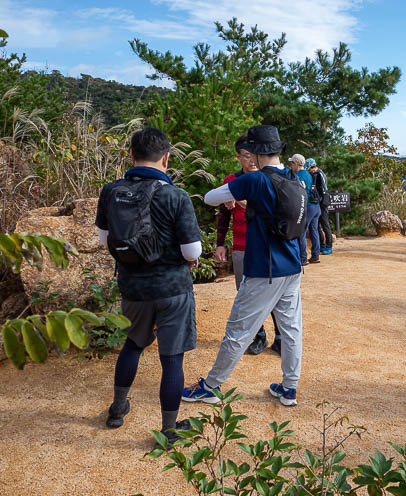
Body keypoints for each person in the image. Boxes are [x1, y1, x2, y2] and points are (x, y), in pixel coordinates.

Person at [183, 125, 304, 407]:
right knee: (291, 328)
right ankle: (289, 388)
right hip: (292, 266)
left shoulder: (255, 181)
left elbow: (211, 197)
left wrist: (236, 195)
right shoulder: (295, 178)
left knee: (238, 330)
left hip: (265, 269)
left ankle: (210, 386)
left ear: (257, 152)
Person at [96, 127, 202, 444]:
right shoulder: (176, 196)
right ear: (166, 158)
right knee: (172, 359)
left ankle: (117, 409)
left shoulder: (111, 191)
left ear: (131, 156)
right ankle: (168, 430)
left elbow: (104, 240)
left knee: (132, 345)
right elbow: (192, 252)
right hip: (173, 289)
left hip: (133, 288)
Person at [216, 135, 283, 355]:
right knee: (245, 294)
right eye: (246, 156)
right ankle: (258, 336)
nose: (251, 160)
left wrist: (247, 201)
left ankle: (281, 336)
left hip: (269, 245)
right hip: (241, 245)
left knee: (274, 293)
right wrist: (220, 243)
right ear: (238, 157)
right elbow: (223, 214)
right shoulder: (231, 181)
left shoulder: (270, 178)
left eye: (253, 155)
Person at [289, 153, 321, 266]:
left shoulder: (298, 175)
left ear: (297, 164)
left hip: (307, 206)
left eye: (292, 163)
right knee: (314, 231)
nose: (291, 165)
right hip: (316, 206)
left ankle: (303, 258)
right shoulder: (308, 174)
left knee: (301, 232)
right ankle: (315, 256)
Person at [306, 158, 333, 255]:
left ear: (314, 167)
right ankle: (321, 244)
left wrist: (321, 201)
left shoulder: (320, 174)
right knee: (317, 225)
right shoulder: (313, 174)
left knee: (325, 225)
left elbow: (324, 190)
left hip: (323, 202)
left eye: (309, 169)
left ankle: (329, 246)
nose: (309, 171)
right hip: (316, 203)